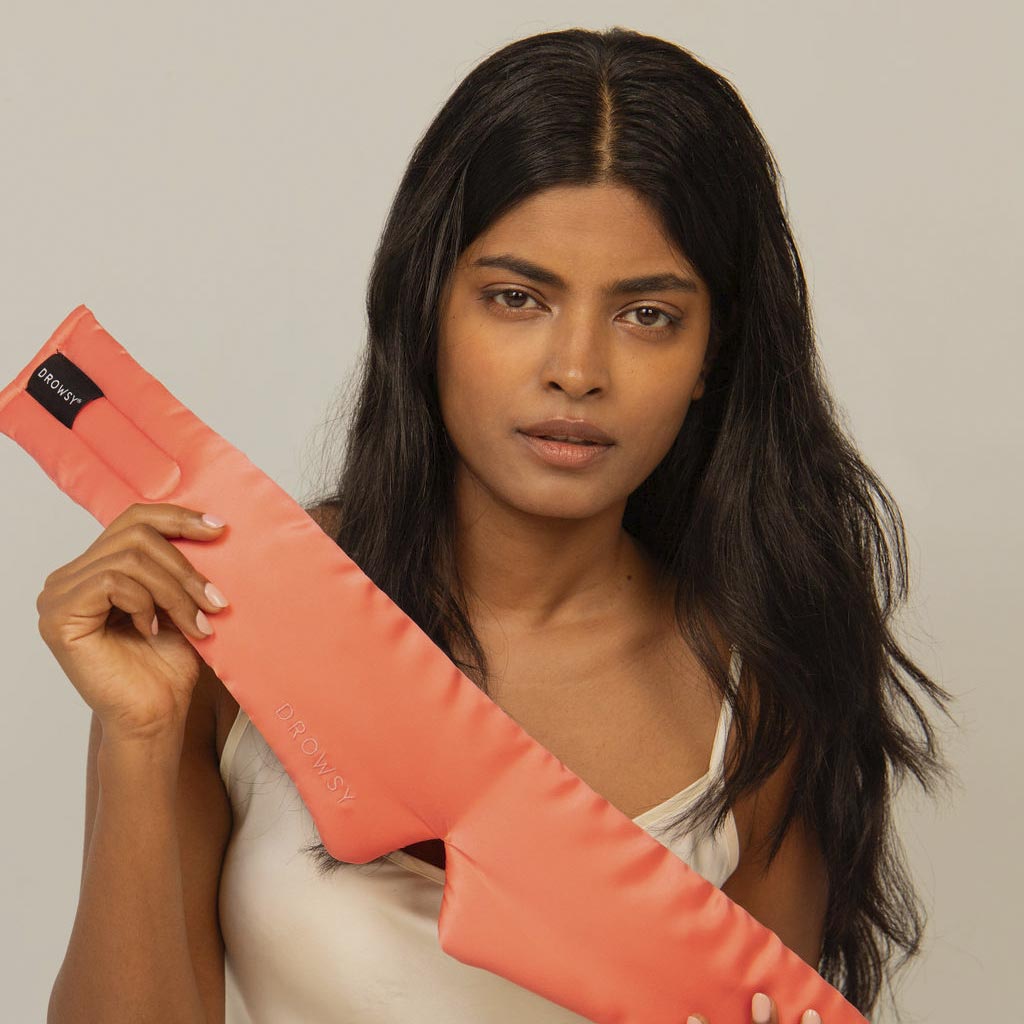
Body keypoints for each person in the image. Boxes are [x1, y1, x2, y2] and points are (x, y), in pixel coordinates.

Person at [41, 25, 955, 1024]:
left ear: (711, 356)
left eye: (646, 314)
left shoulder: (759, 685)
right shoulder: (241, 602)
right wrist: (139, 733)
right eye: (517, 297)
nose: (576, 368)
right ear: (427, 305)